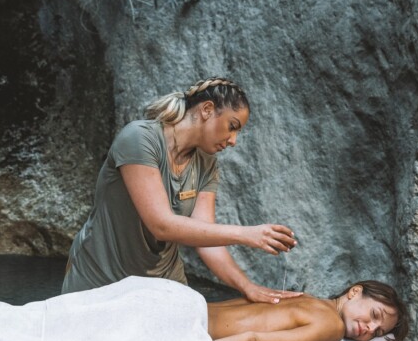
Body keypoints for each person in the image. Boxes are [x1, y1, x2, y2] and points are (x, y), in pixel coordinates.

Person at [62, 78, 301, 303]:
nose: (233, 141)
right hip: (102, 279)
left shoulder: (206, 164)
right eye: (232, 126)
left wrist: (247, 287)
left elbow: (208, 238)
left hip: (163, 282)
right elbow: (162, 225)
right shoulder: (139, 139)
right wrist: (246, 234)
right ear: (207, 110)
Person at [208, 280, 408, 341]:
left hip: (192, 306)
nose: (370, 328)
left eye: (378, 333)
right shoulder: (333, 326)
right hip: (192, 331)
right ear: (355, 292)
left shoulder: (304, 298)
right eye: (374, 315)